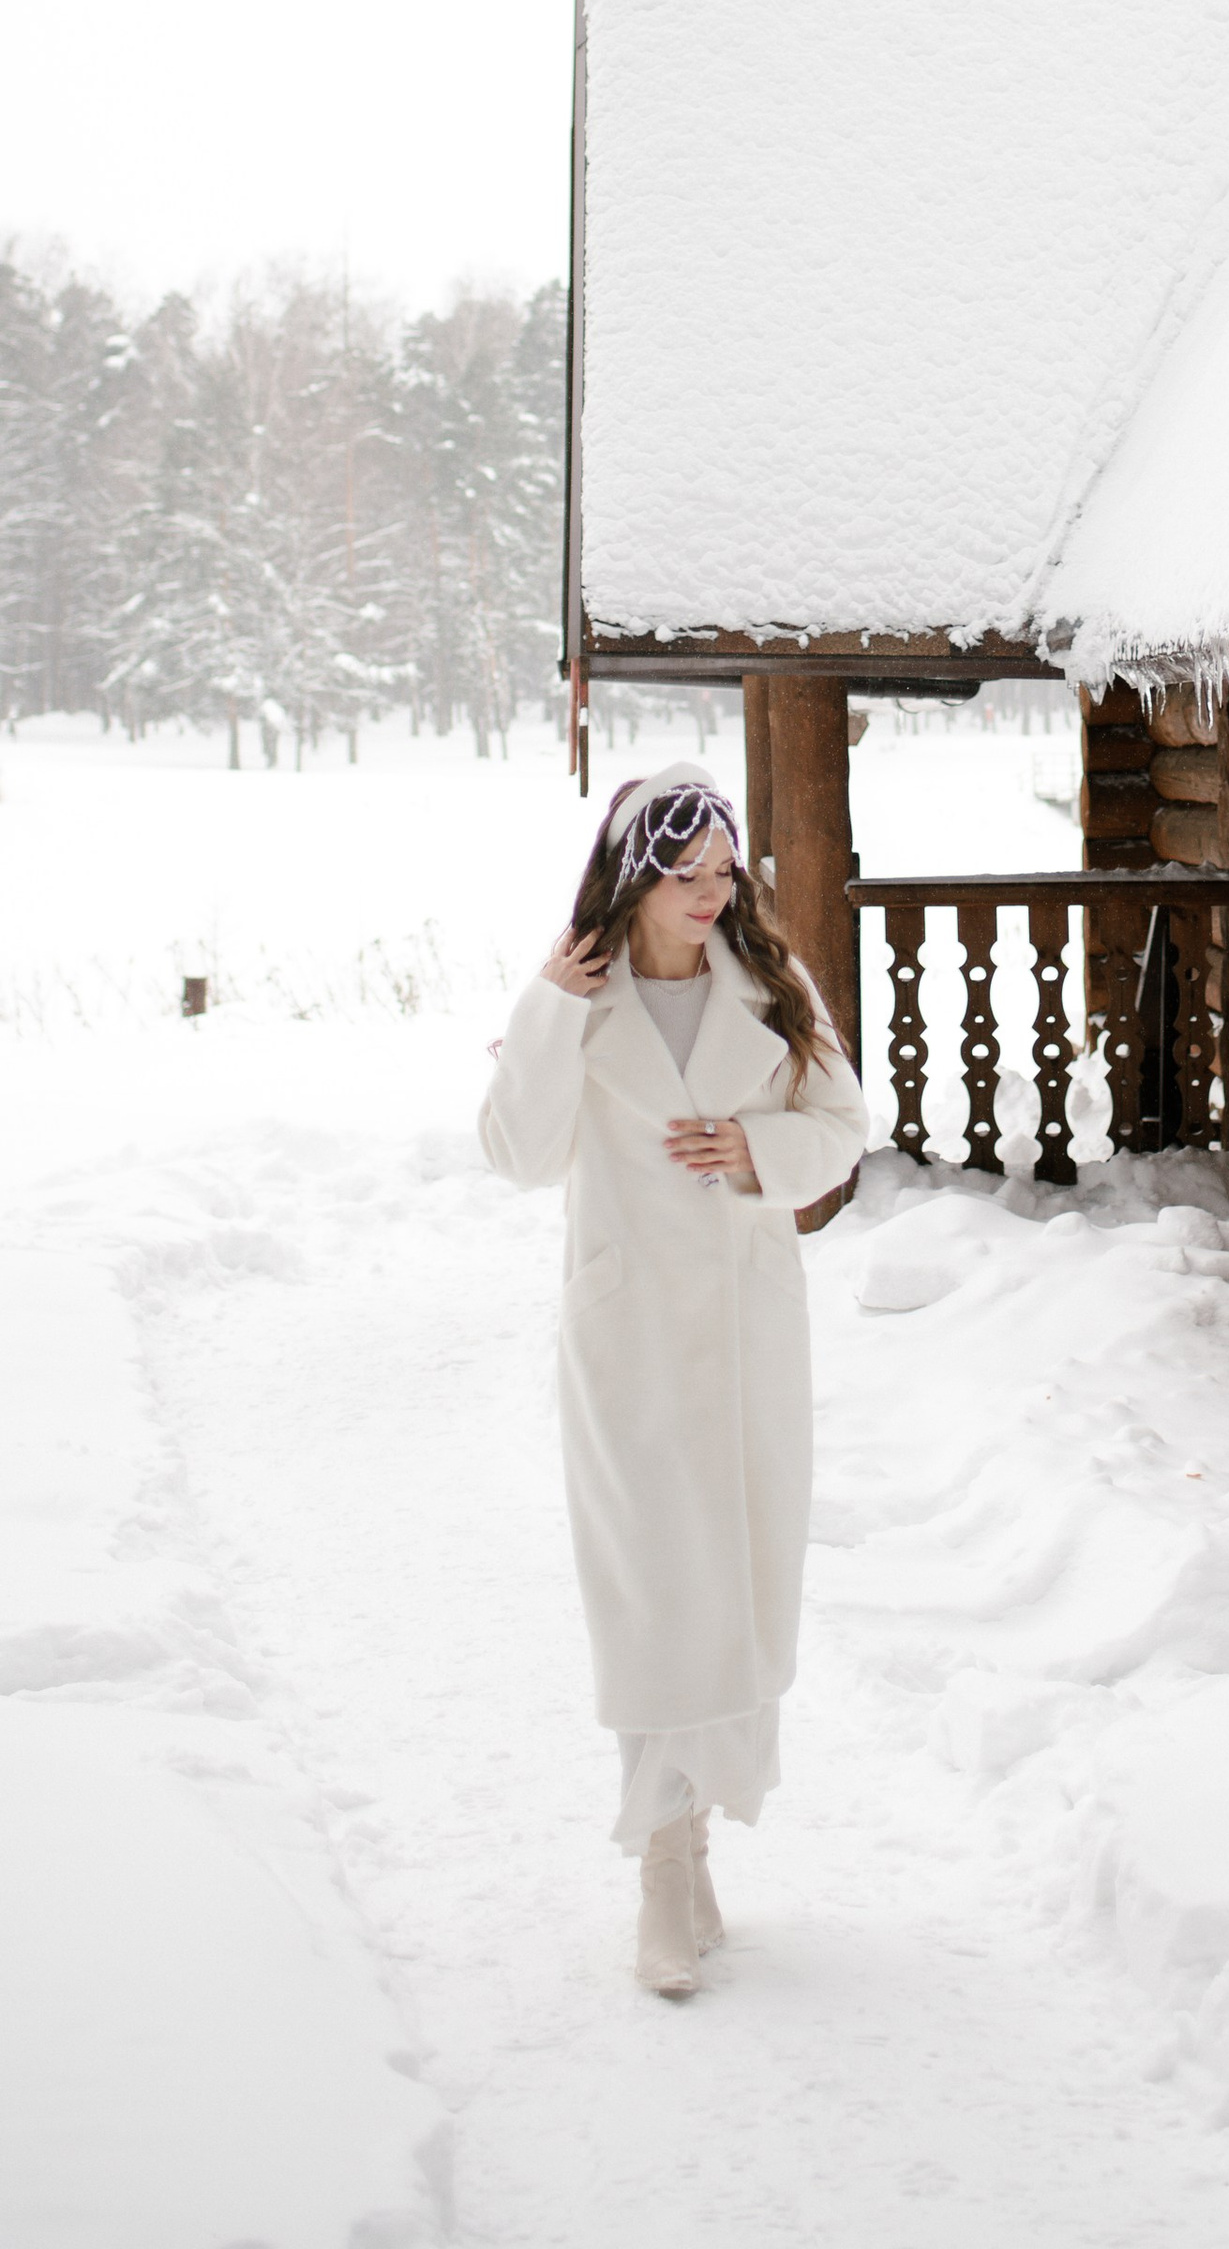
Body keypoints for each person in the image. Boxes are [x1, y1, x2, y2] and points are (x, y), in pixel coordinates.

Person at [481, 758, 867, 1995]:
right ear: (632, 878)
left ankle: (695, 1841)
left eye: (723, 872)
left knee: (737, 1588)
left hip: (750, 1336)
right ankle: (658, 1868)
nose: (710, 894)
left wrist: (754, 1149)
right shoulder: (578, 1003)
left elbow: (843, 1128)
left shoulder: (772, 986)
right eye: (684, 874)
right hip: (629, 1339)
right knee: (653, 1597)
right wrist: (546, 1010)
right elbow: (518, 1154)